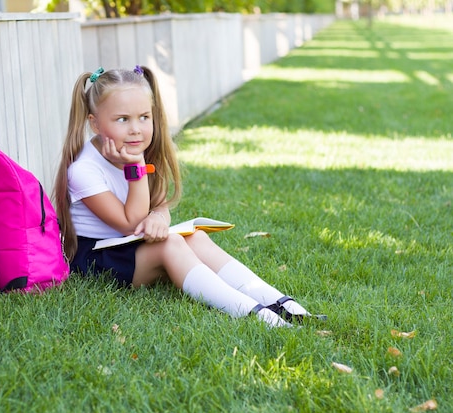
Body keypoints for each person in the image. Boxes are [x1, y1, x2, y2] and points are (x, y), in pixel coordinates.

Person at [53, 65, 323, 328]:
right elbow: (129, 222)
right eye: (122, 119)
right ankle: (255, 315)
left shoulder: (131, 150)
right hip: (98, 259)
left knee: (196, 237)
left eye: (144, 117)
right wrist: (134, 169)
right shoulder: (85, 170)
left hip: (129, 245)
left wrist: (159, 217)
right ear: (95, 123)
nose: (136, 128)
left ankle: (284, 304)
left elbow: (156, 202)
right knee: (172, 246)